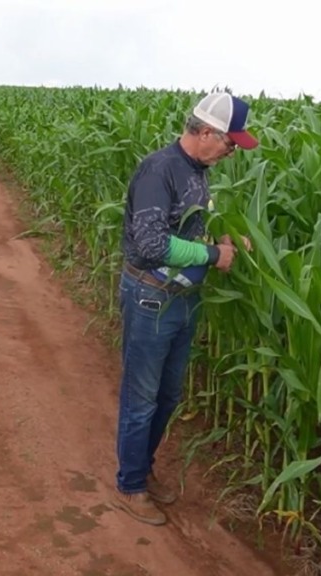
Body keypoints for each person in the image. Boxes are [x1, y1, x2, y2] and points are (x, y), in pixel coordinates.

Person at [111, 91, 258, 526]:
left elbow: (191, 227)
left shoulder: (198, 170)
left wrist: (227, 239)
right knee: (141, 399)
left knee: (168, 395)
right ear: (207, 132)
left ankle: (142, 468)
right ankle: (130, 486)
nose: (232, 152)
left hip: (181, 299)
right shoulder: (161, 170)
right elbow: (152, 244)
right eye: (231, 143)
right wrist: (213, 257)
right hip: (151, 296)